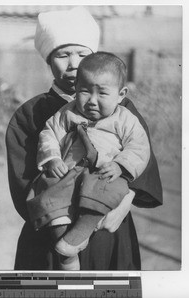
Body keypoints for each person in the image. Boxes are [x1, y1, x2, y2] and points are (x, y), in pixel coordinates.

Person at [6, 7, 163, 270]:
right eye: (63, 55)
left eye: (82, 54)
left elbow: (141, 156)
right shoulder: (30, 114)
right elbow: (25, 183)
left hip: (110, 224)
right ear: (48, 59)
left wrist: (123, 205)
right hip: (53, 231)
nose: (73, 64)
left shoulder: (121, 109)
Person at [28, 52, 150, 270]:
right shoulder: (66, 113)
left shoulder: (124, 119)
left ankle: (79, 232)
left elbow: (139, 147)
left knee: (110, 188)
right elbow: (49, 134)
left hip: (102, 173)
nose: (92, 101)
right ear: (76, 89)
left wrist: (120, 165)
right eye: (84, 91)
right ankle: (67, 250)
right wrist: (53, 157)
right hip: (68, 173)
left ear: (121, 94)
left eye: (102, 93)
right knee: (47, 192)